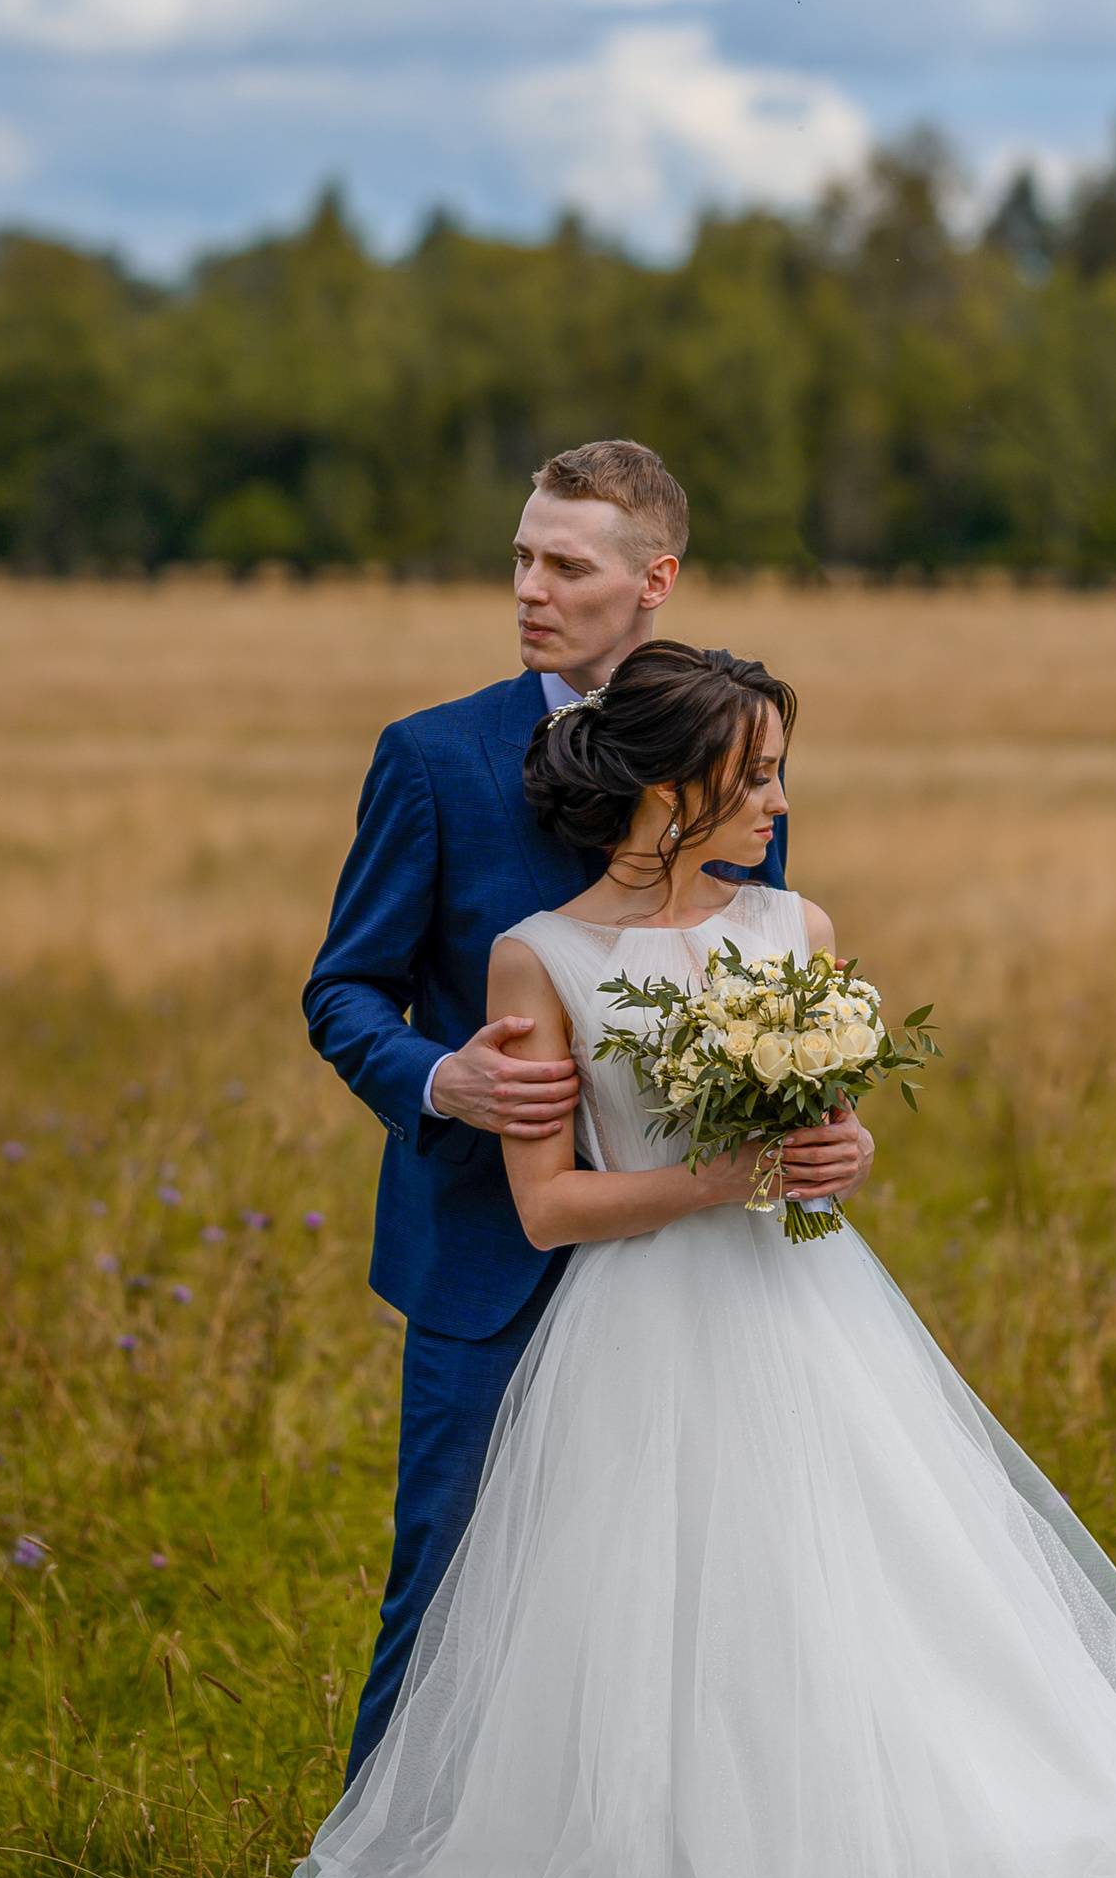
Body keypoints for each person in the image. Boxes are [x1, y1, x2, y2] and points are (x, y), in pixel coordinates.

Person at [286, 643, 1116, 1878]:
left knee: (853, 1596)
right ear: (671, 787)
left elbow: (825, 1136)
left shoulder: (795, 921)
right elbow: (549, 1211)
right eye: (757, 773)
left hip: (804, 1307)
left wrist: (839, 1154)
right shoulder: (540, 955)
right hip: (638, 1334)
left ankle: (876, 1860)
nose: (779, 799)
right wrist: (713, 1176)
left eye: (780, 772)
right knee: (642, 1622)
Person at [303, 440, 869, 1784]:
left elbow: (751, 976)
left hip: (705, 1282)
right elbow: (345, 991)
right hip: (490, 1252)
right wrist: (446, 1077)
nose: (529, 588)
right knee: (447, 1588)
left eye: (565, 563)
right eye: (521, 557)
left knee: (699, 1604)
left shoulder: (735, 746)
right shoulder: (434, 759)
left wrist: (826, 1129)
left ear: (654, 579)